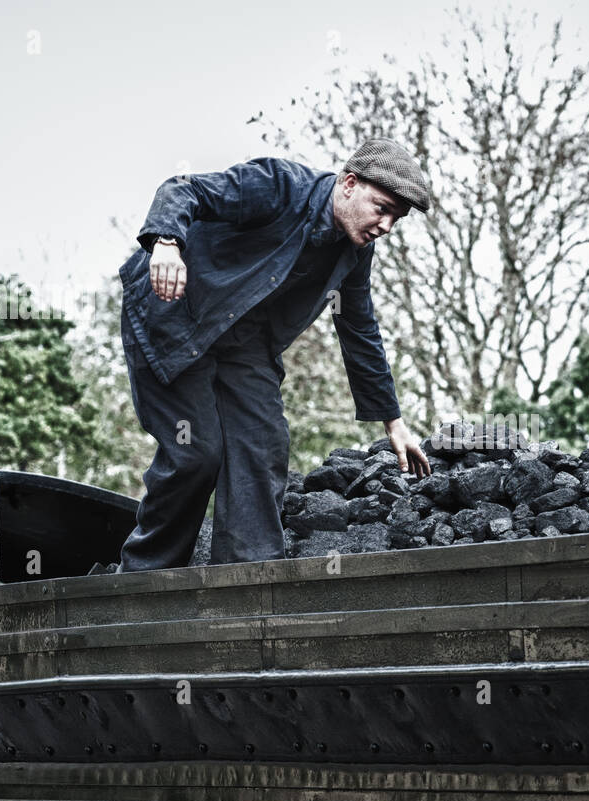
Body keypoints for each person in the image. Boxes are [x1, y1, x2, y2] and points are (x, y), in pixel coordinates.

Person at [115, 138, 432, 572]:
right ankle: (143, 580)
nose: (387, 225)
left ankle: (248, 580)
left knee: (262, 448)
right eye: (382, 208)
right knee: (196, 454)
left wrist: (393, 421)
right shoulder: (279, 185)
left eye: (397, 217)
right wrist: (166, 242)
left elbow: (359, 328)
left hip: (245, 344)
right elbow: (183, 188)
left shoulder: (355, 252)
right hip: (173, 316)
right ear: (349, 184)